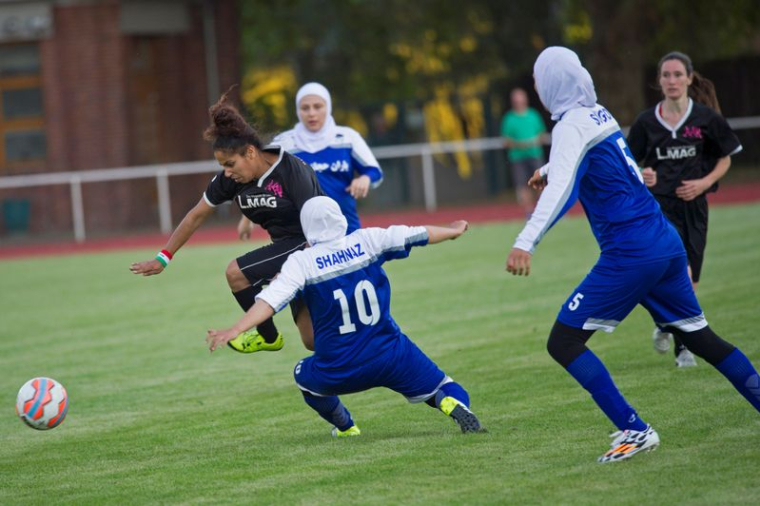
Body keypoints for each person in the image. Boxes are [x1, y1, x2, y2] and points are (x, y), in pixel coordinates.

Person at [505, 46, 760, 463]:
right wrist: (550, 169)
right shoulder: (596, 113)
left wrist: (525, 240)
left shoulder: (571, 125)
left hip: (632, 252)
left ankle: (634, 430)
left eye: (538, 77)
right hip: (664, 241)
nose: (536, 85)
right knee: (703, 339)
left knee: (564, 341)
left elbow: (563, 190)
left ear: (552, 82)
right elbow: (601, 160)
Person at [208, 196, 485, 437]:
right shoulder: (368, 240)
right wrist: (452, 231)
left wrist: (235, 329)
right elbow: (417, 234)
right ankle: (450, 404)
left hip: (339, 367)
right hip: (392, 354)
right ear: (339, 218)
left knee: (302, 376)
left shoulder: (301, 262)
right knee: (445, 386)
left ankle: (346, 427)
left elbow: (268, 302)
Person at [131, 90, 322, 353]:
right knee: (312, 341)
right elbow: (195, 215)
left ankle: (270, 338)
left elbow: (317, 229)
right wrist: (163, 257)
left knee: (236, 272)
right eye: (222, 165)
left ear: (251, 153)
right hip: (286, 247)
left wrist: (292, 270)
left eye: (230, 163)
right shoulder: (230, 179)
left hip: (313, 243)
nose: (227, 172)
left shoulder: (292, 171)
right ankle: (270, 337)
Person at [627, 51, 743, 367]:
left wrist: (704, 183)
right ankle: (684, 350)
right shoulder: (646, 122)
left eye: (678, 74)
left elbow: (726, 157)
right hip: (659, 211)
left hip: (695, 210)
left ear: (690, 78)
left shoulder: (706, 118)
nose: (672, 81)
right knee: (681, 274)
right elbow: (627, 163)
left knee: (689, 283)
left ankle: (665, 323)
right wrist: (643, 174)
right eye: (666, 75)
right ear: (659, 81)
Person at [238, 82, 383, 240]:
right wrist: (247, 218)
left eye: (317, 106)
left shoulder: (347, 138)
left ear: (328, 107)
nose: (311, 113)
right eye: (305, 108)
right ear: (297, 110)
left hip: (347, 229)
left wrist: (365, 178)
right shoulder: (284, 144)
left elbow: (374, 171)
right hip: (301, 234)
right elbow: (259, 179)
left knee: (366, 266)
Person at [501, 87, 547, 215]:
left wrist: (533, 141)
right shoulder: (509, 118)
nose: (518, 102)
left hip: (535, 155)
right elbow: (506, 140)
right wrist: (519, 144)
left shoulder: (533, 115)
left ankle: (544, 211)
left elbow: (542, 134)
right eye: (516, 100)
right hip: (517, 158)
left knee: (540, 183)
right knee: (522, 186)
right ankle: (528, 213)